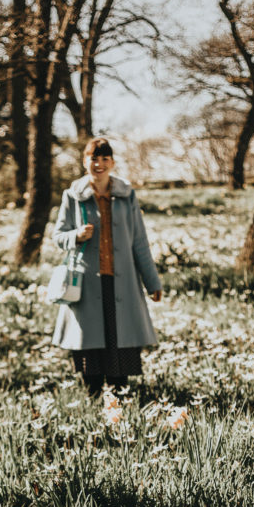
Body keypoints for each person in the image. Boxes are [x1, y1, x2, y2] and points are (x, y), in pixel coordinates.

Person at [51, 136, 162, 396]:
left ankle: (119, 396)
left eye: (104, 159)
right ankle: (93, 396)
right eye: (94, 158)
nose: (99, 164)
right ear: (85, 161)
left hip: (121, 280)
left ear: (112, 163)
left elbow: (139, 242)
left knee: (119, 339)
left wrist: (152, 282)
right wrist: (76, 235)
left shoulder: (126, 195)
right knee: (90, 342)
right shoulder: (73, 196)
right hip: (87, 283)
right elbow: (58, 236)